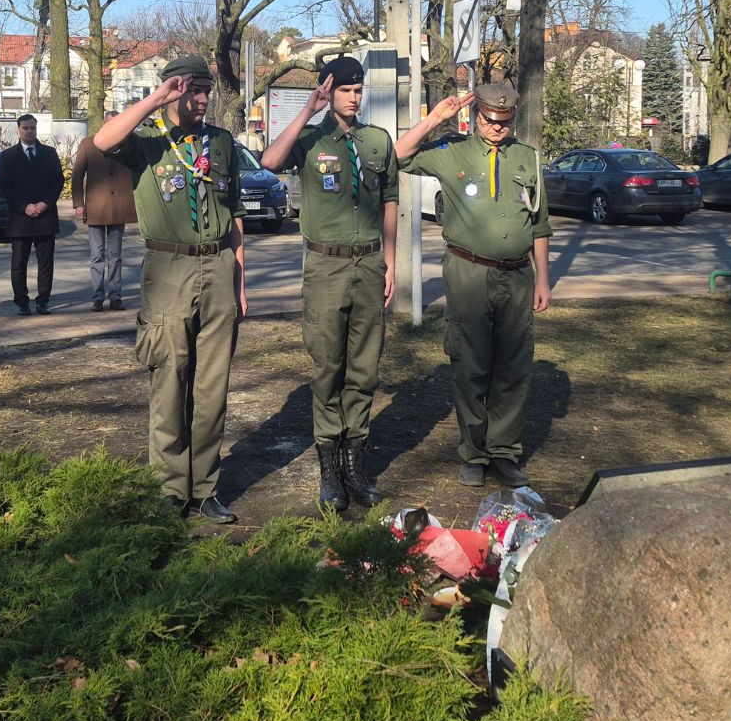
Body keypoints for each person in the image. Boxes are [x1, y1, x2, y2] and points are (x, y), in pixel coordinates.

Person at [94, 55, 246, 524]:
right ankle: (169, 487)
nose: (201, 100)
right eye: (191, 91)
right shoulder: (148, 144)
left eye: (206, 91)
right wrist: (157, 99)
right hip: (169, 268)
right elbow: (102, 140)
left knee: (211, 384)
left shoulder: (221, 143)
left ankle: (205, 488)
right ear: (173, 91)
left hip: (218, 265)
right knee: (170, 376)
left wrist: (239, 277)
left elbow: (235, 212)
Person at [394, 81, 552, 488]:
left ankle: (504, 451)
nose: (497, 128)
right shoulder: (452, 152)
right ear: (475, 115)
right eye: (489, 120)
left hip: (517, 275)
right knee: (471, 364)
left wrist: (543, 280)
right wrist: (434, 118)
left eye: (504, 122)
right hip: (468, 273)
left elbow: (539, 225)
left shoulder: (528, 158)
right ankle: (474, 452)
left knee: (514, 366)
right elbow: (398, 155)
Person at [261, 55, 398, 512]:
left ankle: (355, 465)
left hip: (370, 264)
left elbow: (390, 201)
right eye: (345, 90)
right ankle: (329, 467)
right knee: (327, 367)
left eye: (358, 91)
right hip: (325, 267)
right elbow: (269, 160)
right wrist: (308, 108)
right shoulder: (312, 139)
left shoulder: (377, 141)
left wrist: (391, 263)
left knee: (364, 369)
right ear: (330, 91)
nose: (354, 98)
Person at [0, 113, 63, 315]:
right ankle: (22, 302)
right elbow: (5, 187)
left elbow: (57, 182)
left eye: (32, 128)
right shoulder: (7, 156)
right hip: (20, 219)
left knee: (45, 264)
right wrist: (24, 206)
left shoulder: (49, 153)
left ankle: (43, 300)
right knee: (19, 264)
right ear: (18, 130)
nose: (29, 131)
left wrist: (45, 203)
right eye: (25, 128)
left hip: (45, 216)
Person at [72, 115, 137, 311]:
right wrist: (78, 204)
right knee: (97, 255)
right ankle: (97, 296)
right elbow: (77, 175)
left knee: (115, 255)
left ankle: (116, 295)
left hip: (119, 207)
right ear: (103, 124)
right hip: (96, 208)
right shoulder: (88, 144)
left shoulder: (130, 143)